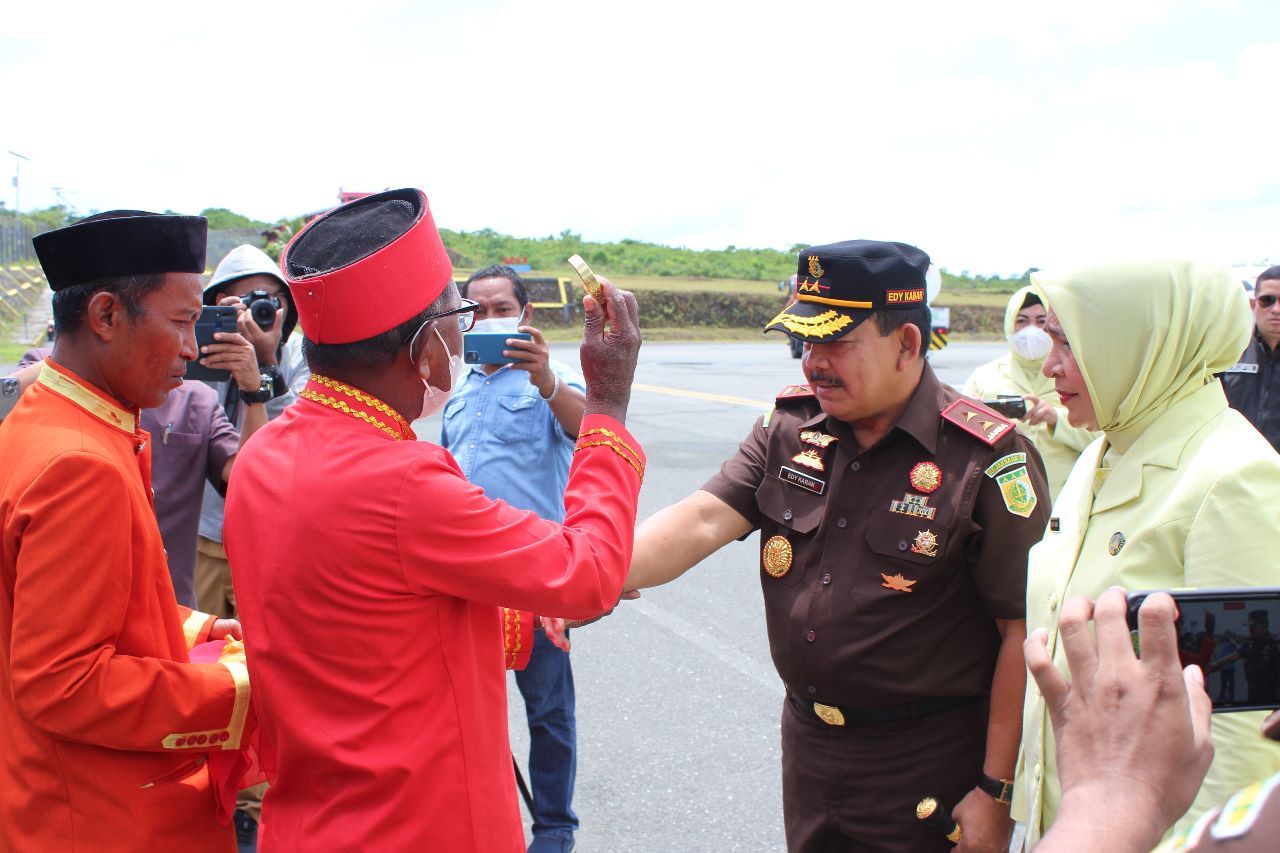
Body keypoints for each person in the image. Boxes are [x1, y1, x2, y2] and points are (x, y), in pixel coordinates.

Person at [222, 188, 645, 851]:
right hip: (420, 824)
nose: (469, 329)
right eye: (458, 312)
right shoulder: (402, 479)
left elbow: (377, 616)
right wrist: (610, 402)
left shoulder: (264, 453)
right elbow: (588, 573)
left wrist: (524, 609)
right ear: (424, 349)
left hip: (308, 821)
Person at [625, 240, 1051, 852]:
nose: (814, 364)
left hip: (928, 762)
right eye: (806, 342)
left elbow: (1022, 632)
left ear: (907, 343)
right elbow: (698, 521)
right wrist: (589, 574)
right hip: (810, 749)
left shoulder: (985, 457)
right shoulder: (789, 431)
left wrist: (995, 792)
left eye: (836, 343)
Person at [0, 211, 251, 850]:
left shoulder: (48, 418)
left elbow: (64, 604)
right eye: (183, 322)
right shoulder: (79, 463)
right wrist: (241, 688)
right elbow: (65, 683)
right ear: (107, 316)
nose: (194, 350)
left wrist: (197, 627)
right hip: (101, 816)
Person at [1015, 260, 1280, 847]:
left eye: (1070, 340)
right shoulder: (1102, 450)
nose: (1048, 363)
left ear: (1142, 343)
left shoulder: (1233, 475)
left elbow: (1237, 741)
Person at [442, 265, 588, 853]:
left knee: (548, 711)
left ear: (524, 315)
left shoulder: (550, 381)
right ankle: (484, 819)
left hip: (532, 577)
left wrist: (547, 379)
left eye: (501, 307)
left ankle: (554, 828)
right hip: (467, 577)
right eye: (475, 309)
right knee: (467, 711)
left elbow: (588, 429)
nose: (488, 318)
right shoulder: (460, 387)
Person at [10, 330, 267, 608]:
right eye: (178, 322)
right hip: (67, 599)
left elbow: (251, 478)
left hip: (170, 605)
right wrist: (74, 358)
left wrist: (254, 392)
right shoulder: (49, 369)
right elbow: (7, 402)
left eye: (194, 324)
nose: (190, 347)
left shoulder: (197, 400)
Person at [1026, 587, 1280, 853]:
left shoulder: (1250, 833)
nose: (1255, 630)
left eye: (1257, 625)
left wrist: (1103, 803)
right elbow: (1232, 655)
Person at [195, 243, 307, 622]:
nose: (264, 309)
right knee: (199, 652)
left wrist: (267, 365)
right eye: (248, 299)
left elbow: (299, 437)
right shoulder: (194, 360)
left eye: (274, 298)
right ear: (220, 302)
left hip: (268, 545)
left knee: (263, 655)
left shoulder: (300, 358)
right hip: (203, 536)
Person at [960, 287, 1096, 499]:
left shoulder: (1079, 376)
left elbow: (1101, 438)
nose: (1031, 330)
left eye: (1041, 321)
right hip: (1002, 499)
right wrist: (976, 418)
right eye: (1022, 321)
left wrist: (1055, 419)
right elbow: (959, 443)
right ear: (1009, 325)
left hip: (1066, 499)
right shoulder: (984, 376)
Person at [1223, 265, 1280, 452]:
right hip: (1233, 462)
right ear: (1253, 304)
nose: (1276, 309)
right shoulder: (1228, 350)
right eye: (1267, 300)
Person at [1210, 611, 1280, 706]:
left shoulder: (1274, 645)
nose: (1250, 629)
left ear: (1264, 624)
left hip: (1270, 695)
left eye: (1254, 626)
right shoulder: (1249, 643)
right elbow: (1235, 655)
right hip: (1253, 693)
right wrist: (1216, 664)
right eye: (1249, 626)